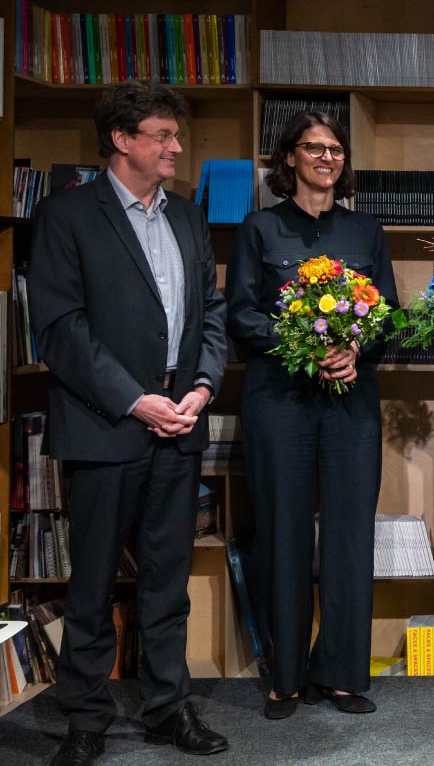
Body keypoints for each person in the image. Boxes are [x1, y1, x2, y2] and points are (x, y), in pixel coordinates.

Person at [29, 80, 229, 766]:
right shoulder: (67, 216)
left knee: (167, 580)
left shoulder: (187, 217)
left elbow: (212, 315)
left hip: (181, 420)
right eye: (163, 135)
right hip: (106, 424)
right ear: (122, 140)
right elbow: (59, 329)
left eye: (176, 135)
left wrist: (201, 387)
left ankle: (168, 709)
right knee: (90, 585)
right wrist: (134, 399)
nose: (177, 147)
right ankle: (85, 718)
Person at [225, 111, 399, 720]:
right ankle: (287, 678)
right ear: (290, 158)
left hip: (351, 403)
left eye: (335, 150)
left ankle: (344, 675)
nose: (327, 158)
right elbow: (241, 317)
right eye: (314, 148)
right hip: (280, 404)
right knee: (284, 533)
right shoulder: (259, 229)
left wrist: (355, 349)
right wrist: (304, 343)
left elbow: (389, 318)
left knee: (351, 537)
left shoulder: (366, 231)